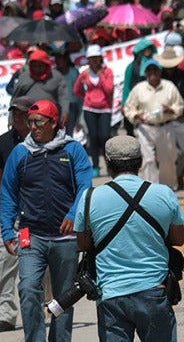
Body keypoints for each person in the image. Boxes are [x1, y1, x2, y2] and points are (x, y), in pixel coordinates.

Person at [74, 135, 184, 342]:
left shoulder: (90, 198)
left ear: (108, 163)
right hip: (154, 291)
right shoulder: (164, 194)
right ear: (140, 162)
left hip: (111, 296)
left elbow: (83, 244)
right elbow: (178, 239)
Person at [0, 100, 92, 342]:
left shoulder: (72, 150)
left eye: (38, 122)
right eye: (30, 122)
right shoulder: (21, 153)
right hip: (32, 236)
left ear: (53, 123)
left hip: (66, 239)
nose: (33, 127)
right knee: (28, 289)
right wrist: (7, 231)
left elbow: (84, 186)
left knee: (63, 298)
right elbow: (8, 191)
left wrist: (74, 214)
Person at [0, 97, 33, 333]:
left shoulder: (42, 141)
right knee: (5, 262)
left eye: (22, 113)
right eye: (14, 113)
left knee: (38, 265)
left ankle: (47, 305)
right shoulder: (4, 142)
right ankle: (4, 313)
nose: (17, 117)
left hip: (35, 219)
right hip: (11, 218)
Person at [122, 58, 184, 188]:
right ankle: (150, 189)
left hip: (165, 127)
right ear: (145, 73)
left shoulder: (169, 87)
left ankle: (167, 189)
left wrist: (171, 109)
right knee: (147, 160)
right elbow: (128, 108)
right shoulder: (139, 89)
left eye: (155, 69)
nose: (152, 72)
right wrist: (136, 115)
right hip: (145, 128)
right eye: (149, 70)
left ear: (160, 71)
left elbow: (180, 106)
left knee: (167, 160)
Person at [73, 45, 113, 177]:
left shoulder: (107, 72)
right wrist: (87, 97)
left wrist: (101, 76)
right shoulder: (85, 72)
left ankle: (109, 165)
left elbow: (109, 90)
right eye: (92, 58)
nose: (94, 61)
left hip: (105, 108)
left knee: (105, 137)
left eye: (96, 58)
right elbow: (76, 90)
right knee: (93, 137)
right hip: (90, 109)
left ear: (100, 58)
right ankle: (95, 165)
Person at [10, 50, 70, 127]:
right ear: (30, 65)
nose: (37, 69)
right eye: (35, 66)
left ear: (47, 65)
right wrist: (11, 119)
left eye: (40, 66)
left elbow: (63, 96)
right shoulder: (24, 77)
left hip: (49, 119)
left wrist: (65, 111)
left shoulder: (56, 77)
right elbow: (15, 99)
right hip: (28, 119)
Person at [121, 38, 156, 136]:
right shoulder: (131, 67)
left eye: (149, 48)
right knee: (130, 131)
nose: (148, 50)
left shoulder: (155, 65)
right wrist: (124, 104)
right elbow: (127, 86)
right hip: (133, 101)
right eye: (145, 48)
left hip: (149, 101)